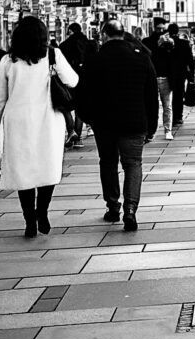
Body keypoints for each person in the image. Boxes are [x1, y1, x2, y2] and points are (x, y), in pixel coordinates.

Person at [0, 15, 79, 238]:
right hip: (48, 119)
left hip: (18, 121)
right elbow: (73, 81)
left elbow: (0, 99)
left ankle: (29, 221)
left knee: (23, 170)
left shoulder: (7, 61)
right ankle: (42, 212)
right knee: (47, 167)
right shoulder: (53, 54)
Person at [75, 18, 159, 230]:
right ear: (123, 34)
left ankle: (113, 206)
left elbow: (82, 93)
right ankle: (131, 210)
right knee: (133, 164)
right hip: (135, 121)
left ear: (104, 35)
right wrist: (152, 125)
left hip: (104, 123)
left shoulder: (95, 59)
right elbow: (151, 94)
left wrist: (89, 118)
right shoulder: (142, 58)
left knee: (108, 163)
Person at [58, 21, 93, 145]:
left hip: (68, 79)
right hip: (85, 79)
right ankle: (77, 137)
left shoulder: (64, 45)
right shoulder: (89, 44)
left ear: (70, 31)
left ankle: (71, 130)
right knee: (80, 107)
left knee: (64, 104)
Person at [147, 23, 175, 141]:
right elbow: (148, 55)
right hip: (152, 77)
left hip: (165, 77)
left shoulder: (169, 42)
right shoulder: (148, 41)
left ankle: (168, 130)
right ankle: (150, 131)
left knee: (167, 106)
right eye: (158, 28)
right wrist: (158, 44)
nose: (160, 31)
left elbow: (173, 56)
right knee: (151, 106)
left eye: (162, 29)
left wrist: (169, 44)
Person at [166, 23, 194, 127]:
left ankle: (169, 116)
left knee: (166, 96)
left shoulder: (165, 43)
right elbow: (190, 60)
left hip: (167, 72)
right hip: (180, 73)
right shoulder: (184, 43)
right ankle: (178, 117)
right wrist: (192, 73)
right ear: (178, 31)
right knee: (178, 95)